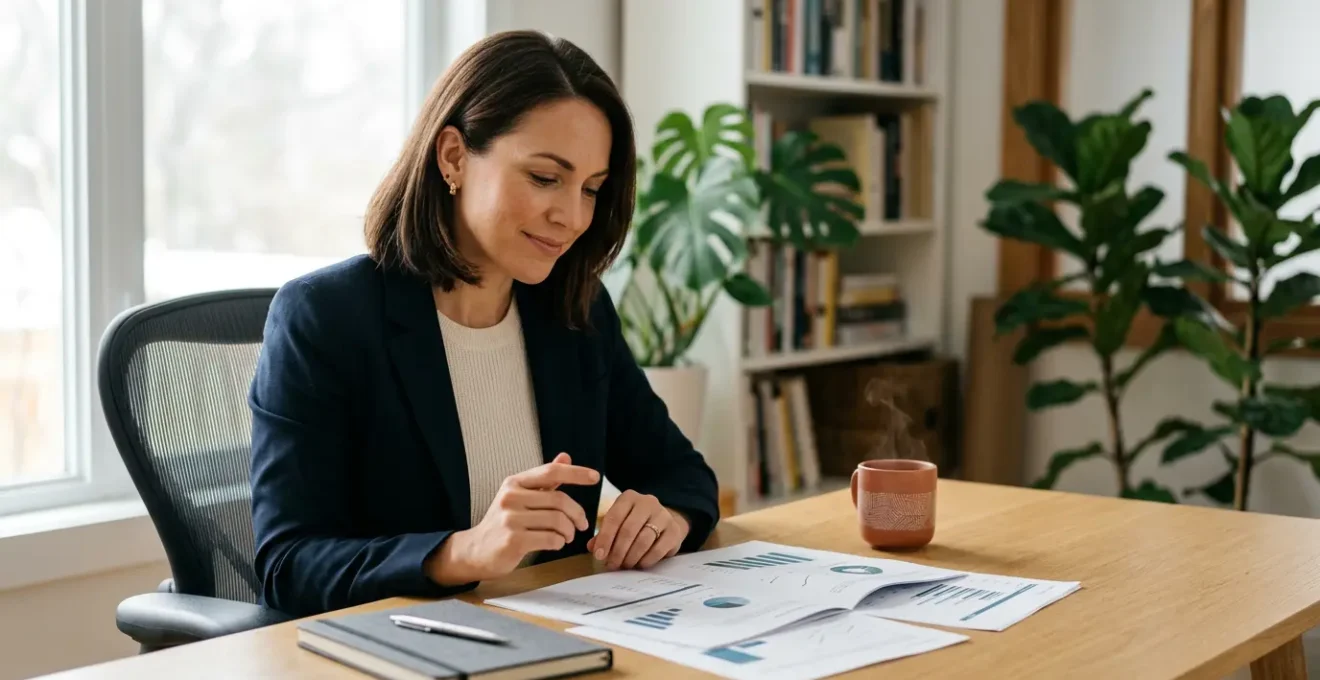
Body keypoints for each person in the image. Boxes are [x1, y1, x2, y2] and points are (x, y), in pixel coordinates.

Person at [248, 30, 720, 618]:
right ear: (453, 158)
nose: (571, 216)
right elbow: (288, 565)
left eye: (592, 189)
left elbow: (681, 473)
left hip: (558, 634)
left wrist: (665, 516)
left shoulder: (575, 311)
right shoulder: (325, 318)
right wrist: (464, 552)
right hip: (395, 647)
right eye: (545, 178)